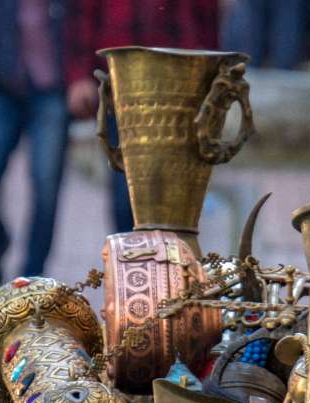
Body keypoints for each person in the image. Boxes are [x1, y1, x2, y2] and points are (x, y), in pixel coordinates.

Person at [65, 0, 220, 233]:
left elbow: (207, 15)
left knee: (173, 195)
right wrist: (79, 75)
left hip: (179, 82)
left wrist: (212, 71)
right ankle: (129, 262)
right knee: (125, 194)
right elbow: (82, 16)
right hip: (121, 82)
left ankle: (168, 264)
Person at [0, 0, 71, 291]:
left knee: (47, 184)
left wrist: (82, 77)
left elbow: (83, 23)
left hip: (52, 88)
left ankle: (32, 276)